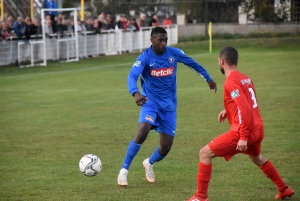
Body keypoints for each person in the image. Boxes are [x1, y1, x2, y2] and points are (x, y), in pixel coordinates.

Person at [186, 47, 294, 201]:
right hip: (258, 128)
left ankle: (201, 197)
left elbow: (245, 108)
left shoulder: (230, 82)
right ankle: (283, 189)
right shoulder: (245, 78)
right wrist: (228, 110)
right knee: (256, 158)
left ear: (222, 61)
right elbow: (248, 102)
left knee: (204, 153)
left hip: (244, 131)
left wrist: (243, 136)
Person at [117, 26, 217, 187]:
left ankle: (149, 163)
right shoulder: (145, 58)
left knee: (165, 147)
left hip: (169, 106)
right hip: (150, 102)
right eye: (160, 40)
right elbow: (132, 75)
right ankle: (124, 171)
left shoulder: (174, 53)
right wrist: (135, 93)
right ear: (152, 40)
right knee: (143, 130)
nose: (163, 43)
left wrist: (208, 78)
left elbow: (193, 63)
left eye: (165, 40)